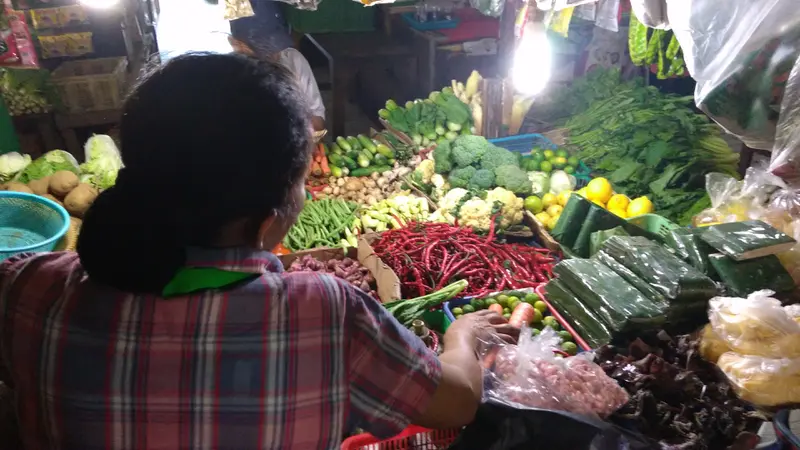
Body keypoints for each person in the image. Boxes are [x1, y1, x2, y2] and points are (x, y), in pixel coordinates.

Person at [0, 53, 516, 449]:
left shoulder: (27, 286)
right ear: (270, 221)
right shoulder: (322, 312)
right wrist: (461, 335)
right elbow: (459, 402)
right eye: (299, 185)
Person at [229, 3, 327, 132]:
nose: (274, 54)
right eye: (263, 48)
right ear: (236, 44)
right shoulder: (227, 76)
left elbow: (318, 122)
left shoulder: (294, 61)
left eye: (276, 44)